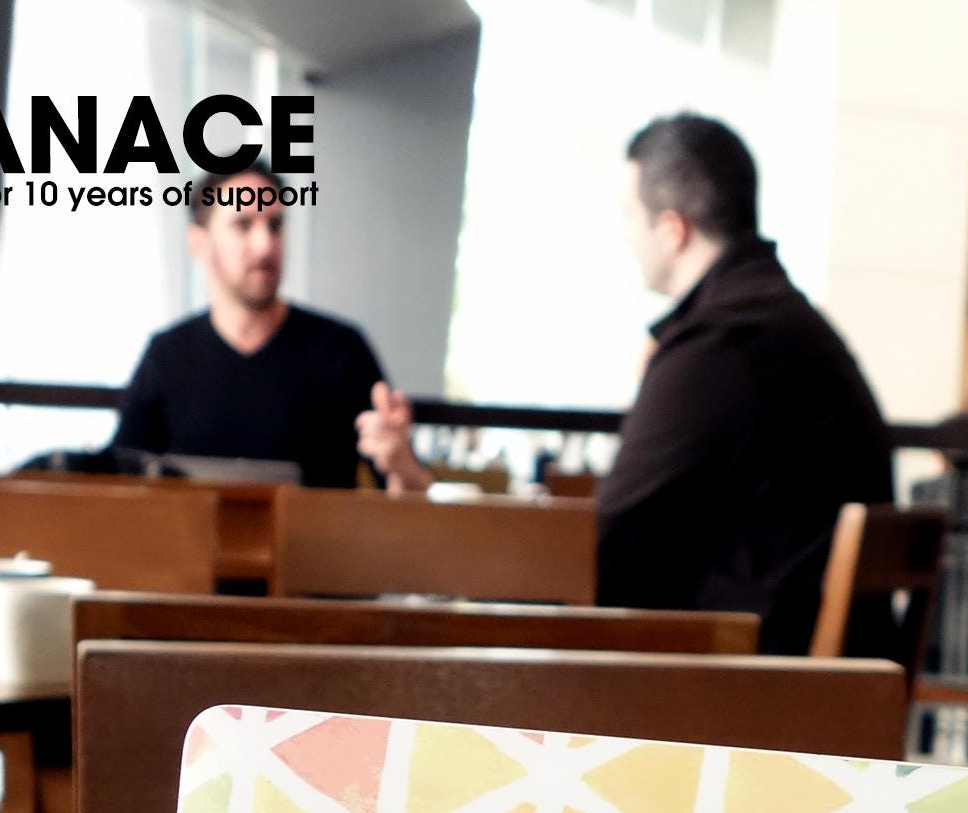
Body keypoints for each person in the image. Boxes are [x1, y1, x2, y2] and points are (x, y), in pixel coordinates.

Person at [363, 115, 895, 650]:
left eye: (629, 215)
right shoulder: (779, 321)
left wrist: (442, 523)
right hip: (811, 670)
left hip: (751, 681)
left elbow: (598, 555)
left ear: (673, 231)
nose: (625, 235)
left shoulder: (722, 345)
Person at [113, 168, 384, 488]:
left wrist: (400, 463)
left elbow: (404, 485)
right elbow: (117, 482)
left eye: (275, 225)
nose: (265, 245)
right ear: (199, 243)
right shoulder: (167, 355)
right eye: (243, 225)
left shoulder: (342, 350)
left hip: (318, 525)